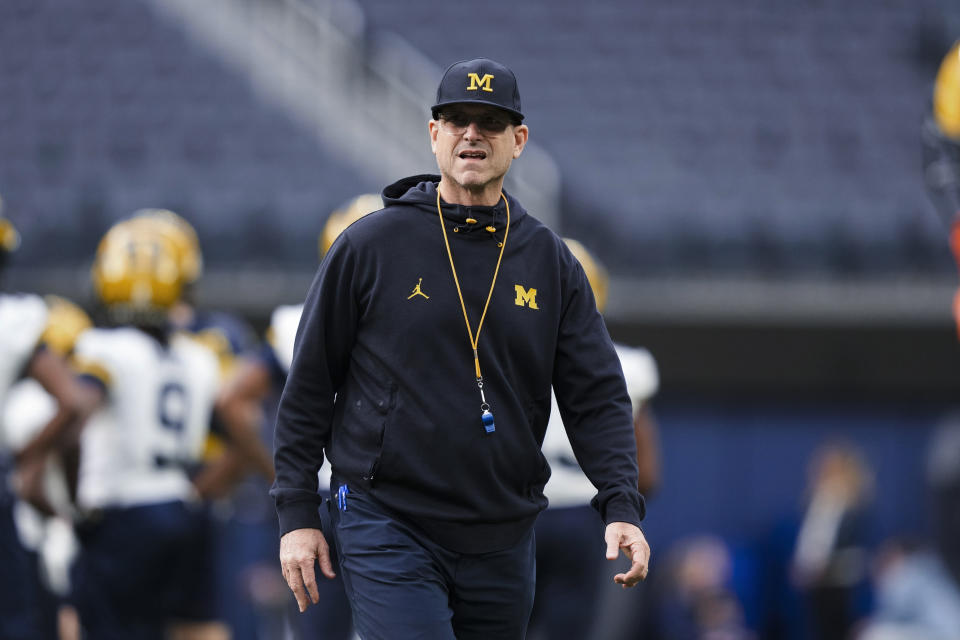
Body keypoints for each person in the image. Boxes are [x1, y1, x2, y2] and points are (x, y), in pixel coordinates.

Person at [272, 57, 650, 639]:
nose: (472, 133)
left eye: (490, 122)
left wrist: (621, 504)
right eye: (456, 119)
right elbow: (310, 386)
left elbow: (596, 394)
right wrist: (297, 513)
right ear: (434, 133)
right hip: (387, 516)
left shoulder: (550, 261)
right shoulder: (370, 244)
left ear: (517, 140)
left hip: (502, 530)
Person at [217, 193, 381, 639]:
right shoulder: (422, 314)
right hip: (386, 495)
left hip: (327, 493)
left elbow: (232, 398)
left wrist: (283, 478)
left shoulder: (297, 320)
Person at [66, 219, 226, 638]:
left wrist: (72, 501)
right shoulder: (199, 356)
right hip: (181, 505)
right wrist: (201, 490)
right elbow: (242, 435)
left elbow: (75, 410)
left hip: (121, 512)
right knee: (190, 627)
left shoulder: (101, 349)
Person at [528, 238, 661, 640]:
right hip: (583, 511)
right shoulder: (625, 364)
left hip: (520, 508)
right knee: (570, 625)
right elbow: (647, 472)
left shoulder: (505, 351)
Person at [0, 205, 93, 640]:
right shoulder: (32, 399)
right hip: (44, 531)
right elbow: (71, 404)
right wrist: (67, 512)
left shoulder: (24, 403)